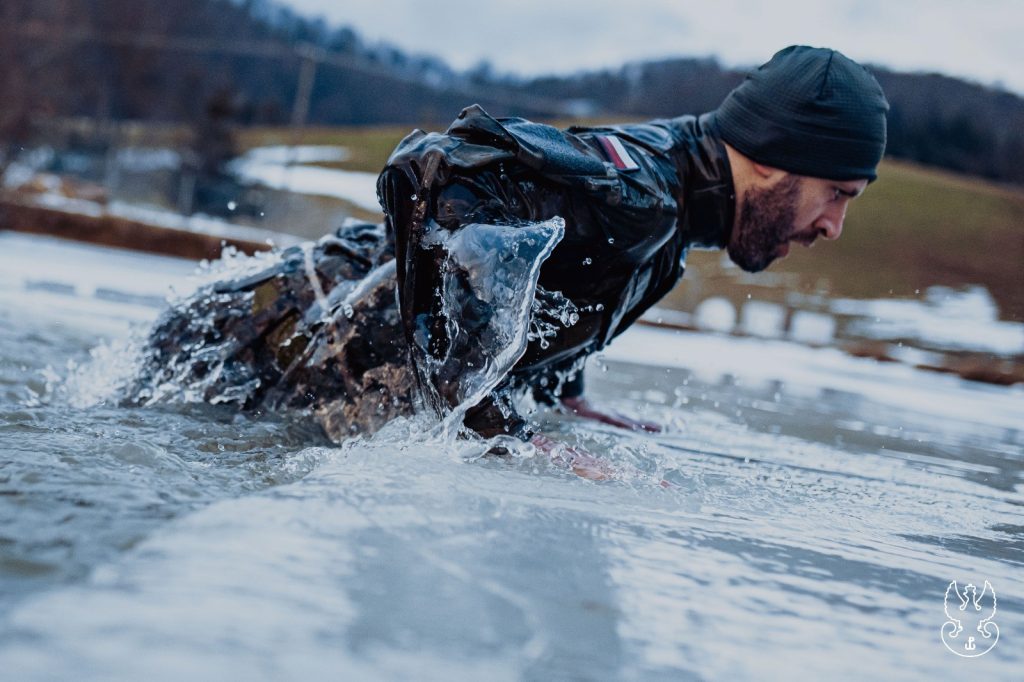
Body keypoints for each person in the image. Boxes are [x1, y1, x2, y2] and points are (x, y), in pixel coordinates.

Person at [129, 45, 887, 459]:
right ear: (777, 157)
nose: (834, 226)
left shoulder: (668, 214)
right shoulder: (647, 193)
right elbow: (445, 171)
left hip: (282, 336)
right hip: (262, 337)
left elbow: (559, 270)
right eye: (838, 193)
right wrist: (491, 418)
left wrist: (565, 395)